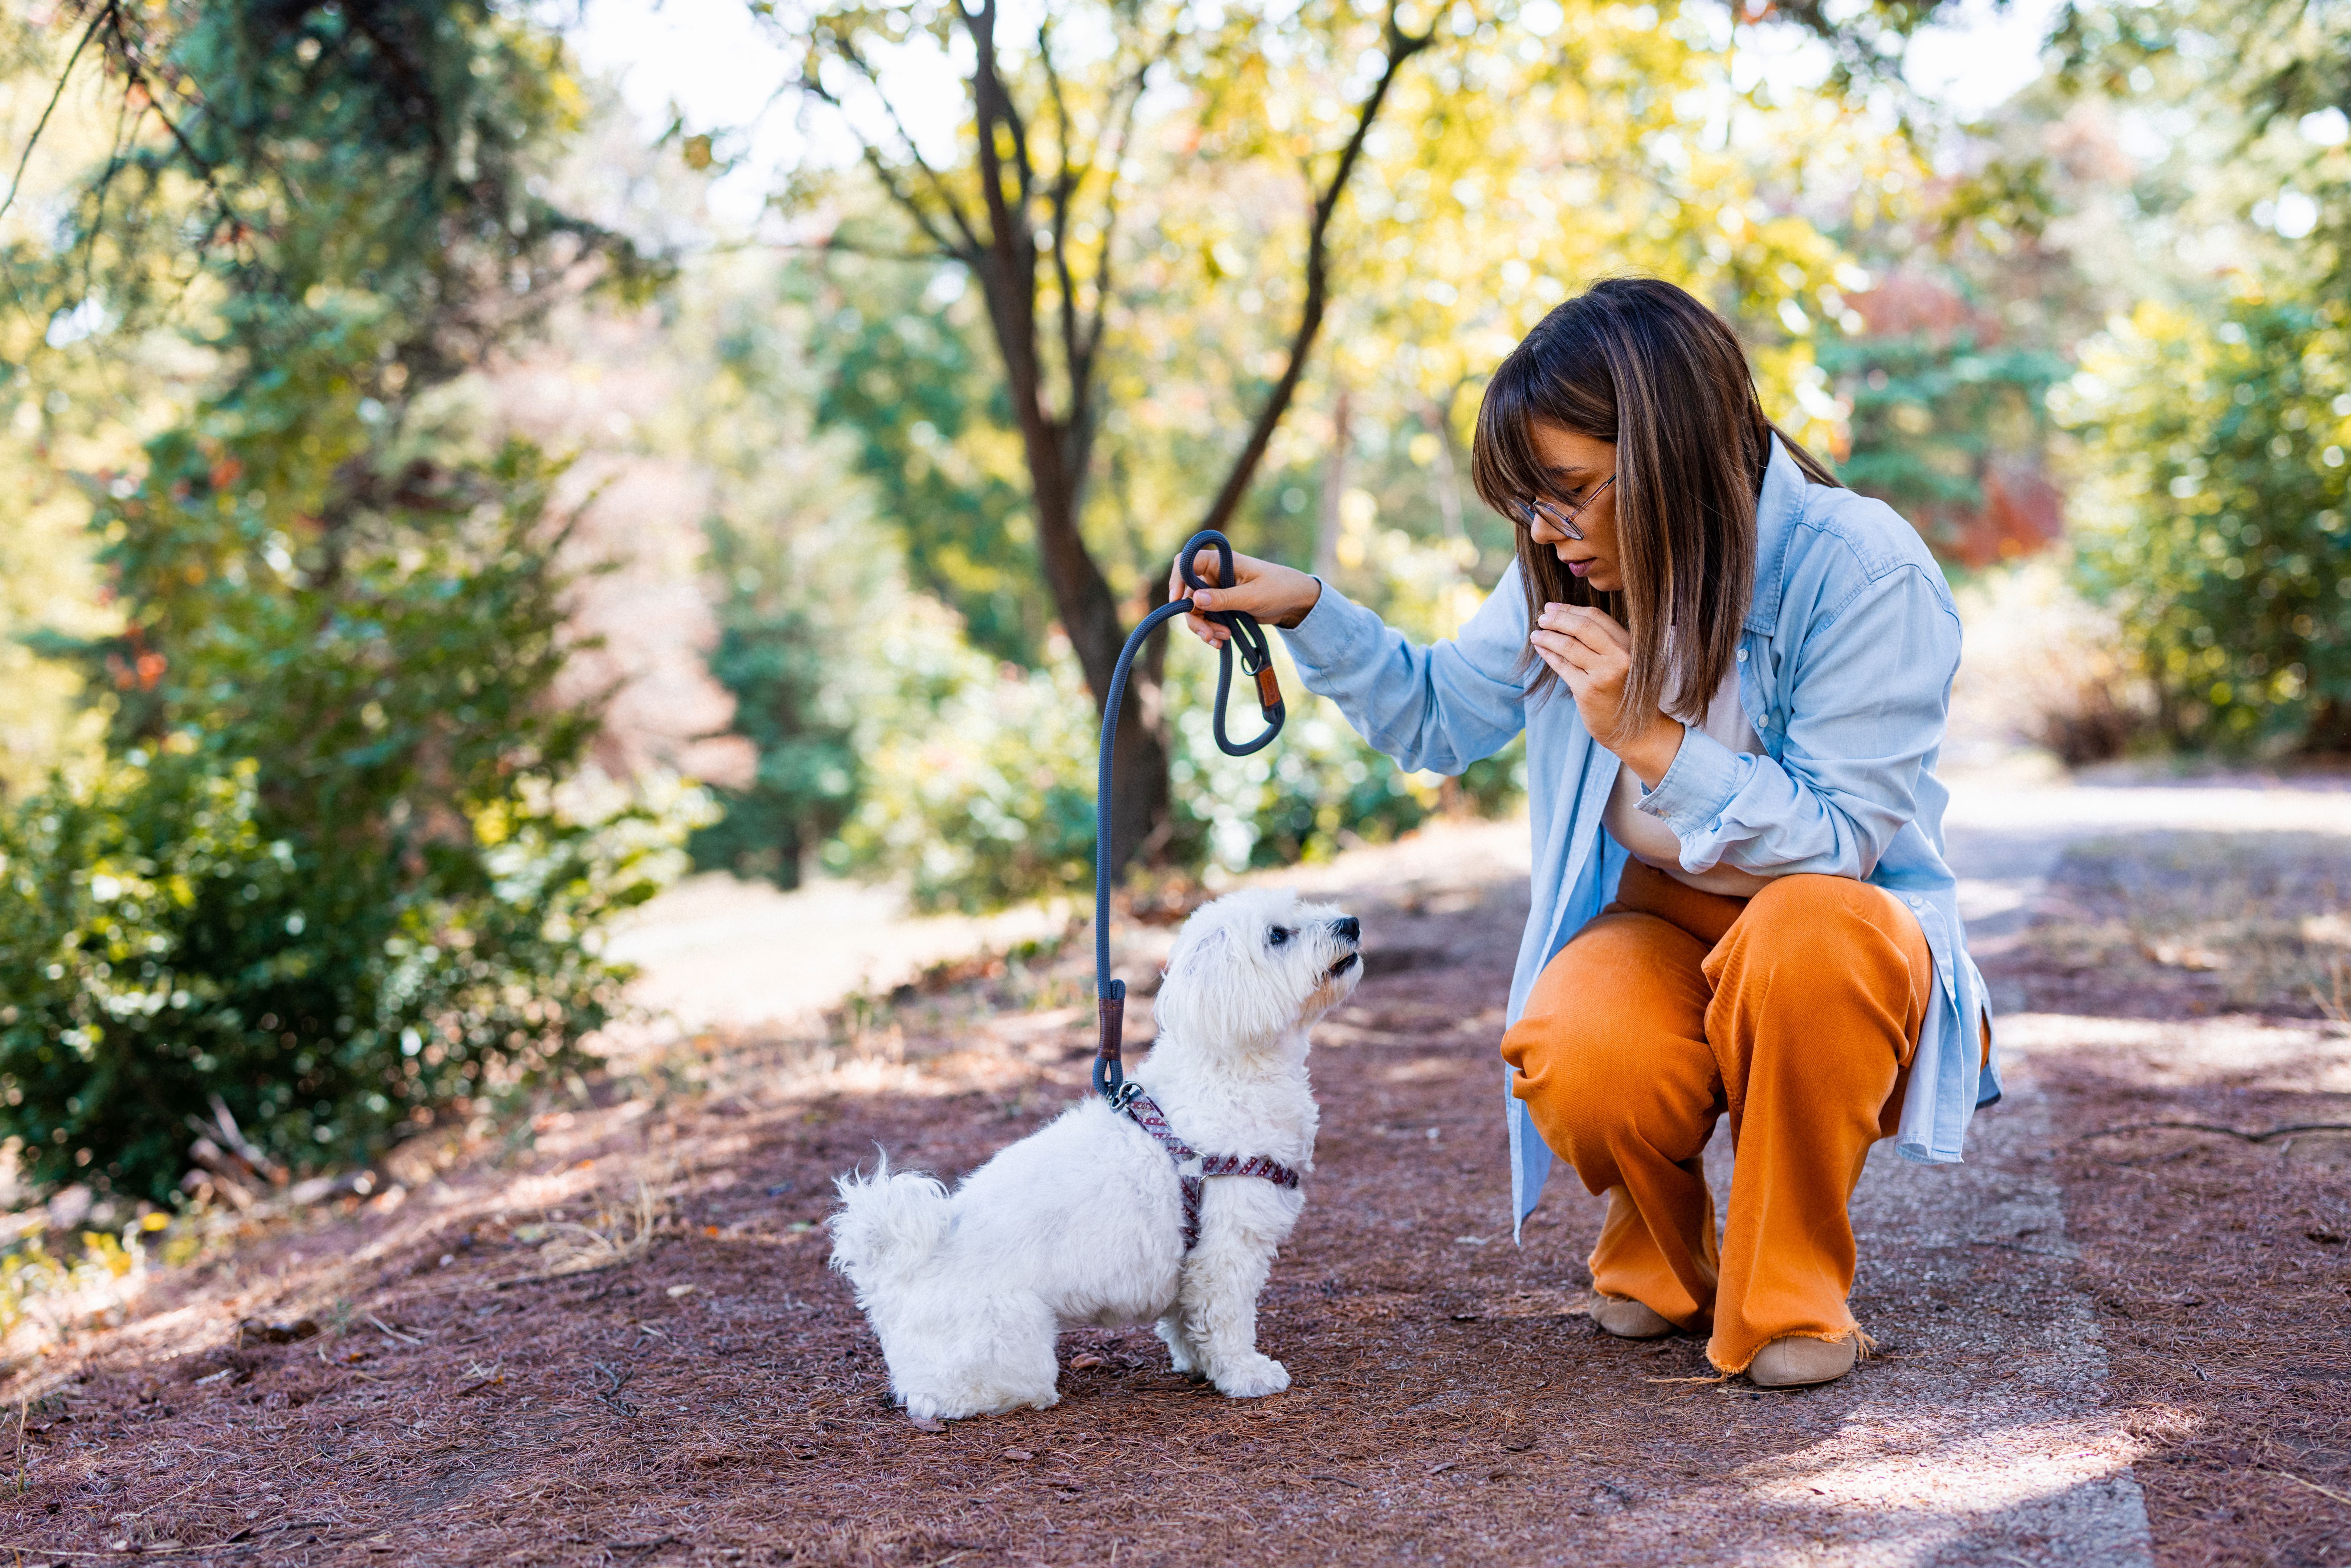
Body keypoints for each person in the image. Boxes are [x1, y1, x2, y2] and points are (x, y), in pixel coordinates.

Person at [1168, 276, 1995, 1388]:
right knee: (1580, 1044)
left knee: (1801, 937)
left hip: (1836, 939)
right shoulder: (1568, 570)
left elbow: (1839, 841)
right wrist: (1307, 610)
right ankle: (1663, 1247)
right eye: (1530, 504)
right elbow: (1437, 714)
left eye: (1571, 492)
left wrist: (1653, 742)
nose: (1548, 532)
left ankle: (1792, 1290)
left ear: (1671, 458)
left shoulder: (1862, 571)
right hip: (1659, 918)